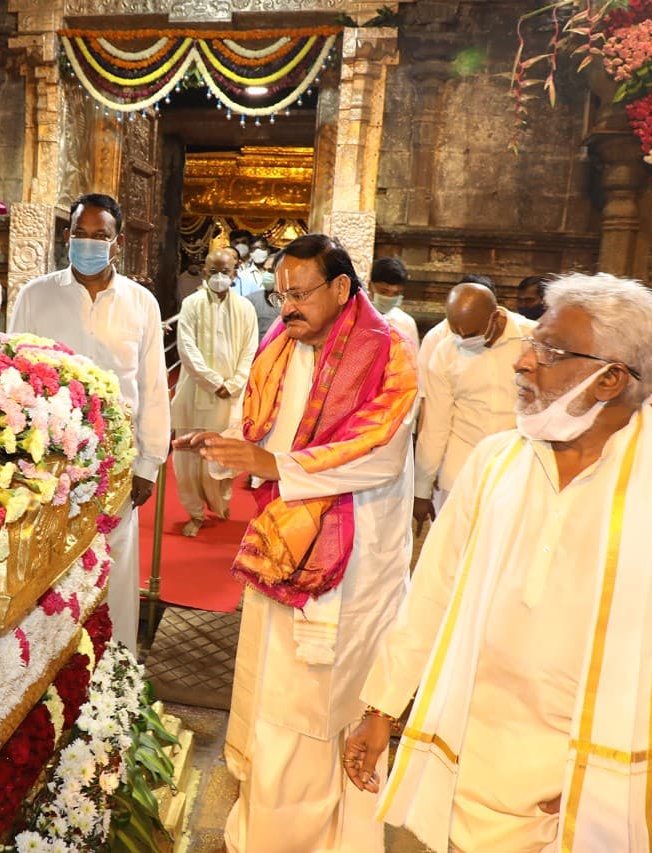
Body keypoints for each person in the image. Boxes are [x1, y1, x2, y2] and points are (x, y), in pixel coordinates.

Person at [344, 273, 652, 853]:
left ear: (611, 378)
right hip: (468, 762)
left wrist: (617, 780)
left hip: (588, 786)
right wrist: (380, 705)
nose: (523, 363)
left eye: (549, 351)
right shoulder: (494, 462)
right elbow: (431, 592)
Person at [174, 233, 417, 852]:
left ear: (341, 288)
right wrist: (226, 448)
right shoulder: (280, 345)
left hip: (349, 565)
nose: (286, 307)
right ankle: (262, 828)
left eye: (300, 294)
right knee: (271, 697)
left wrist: (274, 463)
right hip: (280, 547)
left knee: (321, 711)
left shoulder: (387, 352)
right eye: (281, 294)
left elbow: (378, 458)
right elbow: (257, 427)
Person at [9, 193, 169, 654]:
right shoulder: (36, 295)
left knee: (115, 565)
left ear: (116, 243)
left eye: (101, 236)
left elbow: (153, 387)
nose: (89, 243)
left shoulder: (141, 303)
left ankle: (114, 670)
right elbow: (15, 374)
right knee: (48, 566)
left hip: (117, 461)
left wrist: (149, 464)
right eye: (81, 234)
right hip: (51, 461)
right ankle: (47, 666)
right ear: (67, 236)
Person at [413, 281, 534, 528]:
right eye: (456, 332)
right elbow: (435, 424)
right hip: (460, 474)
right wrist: (421, 490)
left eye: (470, 334)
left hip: (517, 472)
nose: (462, 340)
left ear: (496, 317)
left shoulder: (532, 338)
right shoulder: (445, 351)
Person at [171, 248, 259, 537]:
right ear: (205, 272)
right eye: (214, 272)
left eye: (225, 271)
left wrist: (232, 384)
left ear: (235, 272)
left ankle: (221, 503)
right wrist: (213, 382)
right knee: (189, 462)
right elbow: (187, 349)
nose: (220, 277)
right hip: (194, 394)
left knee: (224, 457)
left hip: (230, 397)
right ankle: (195, 514)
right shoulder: (192, 304)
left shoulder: (246, 309)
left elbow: (250, 350)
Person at [369, 256, 419, 351]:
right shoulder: (354, 317)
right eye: (383, 292)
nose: (389, 297)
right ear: (370, 286)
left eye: (396, 293)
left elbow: (412, 360)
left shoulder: (406, 324)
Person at [244, 250, 280, 341]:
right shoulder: (251, 300)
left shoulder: (297, 302)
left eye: (271, 271)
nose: (266, 274)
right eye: (265, 270)